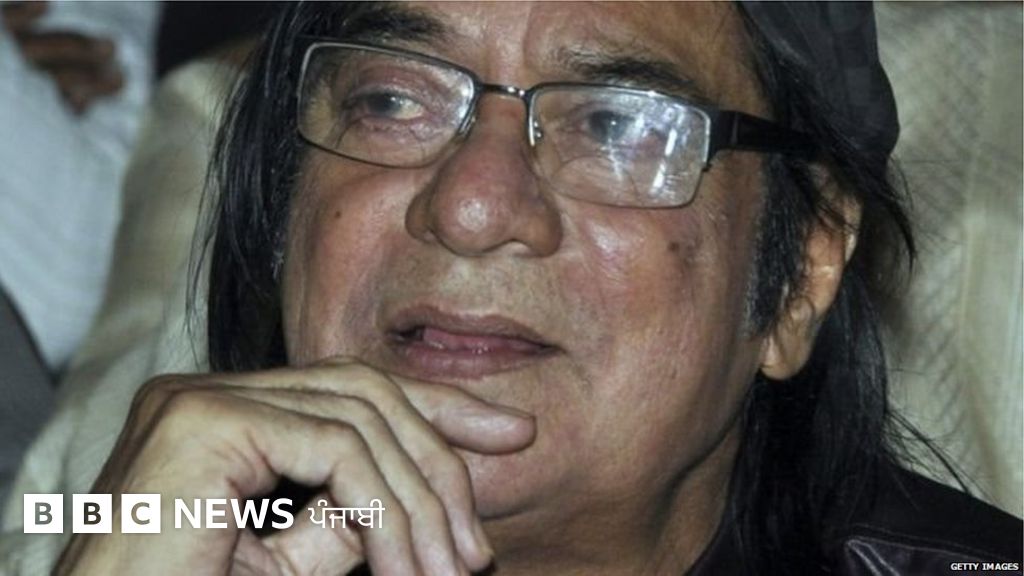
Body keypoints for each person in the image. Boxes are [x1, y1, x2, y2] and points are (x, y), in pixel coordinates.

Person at [34, 2, 1024, 575]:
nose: (471, 207)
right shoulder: (126, 528)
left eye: (615, 124)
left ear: (801, 271)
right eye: (392, 100)